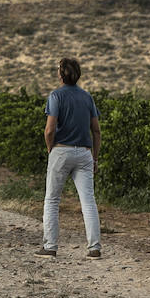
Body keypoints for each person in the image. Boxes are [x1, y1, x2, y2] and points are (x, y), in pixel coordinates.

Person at [34, 57, 101, 259]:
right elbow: (96, 131)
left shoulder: (56, 96)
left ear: (61, 74)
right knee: (88, 200)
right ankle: (94, 248)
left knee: (52, 200)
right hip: (84, 153)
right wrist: (95, 158)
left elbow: (49, 130)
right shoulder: (87, 97)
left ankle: (50, 246)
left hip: (61, 151)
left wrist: (50, 150)